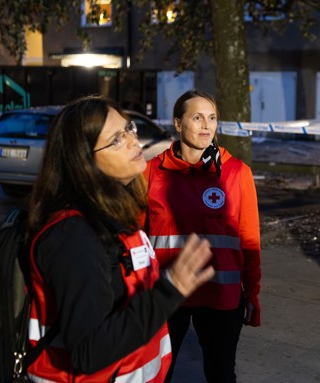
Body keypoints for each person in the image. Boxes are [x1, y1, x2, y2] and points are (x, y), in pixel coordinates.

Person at [24, 95, 214, 382]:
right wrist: (169, 290)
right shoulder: (73, 237)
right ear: (84, 161)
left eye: (129, 129)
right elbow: (89, 352)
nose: (131, 141)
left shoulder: (114, 213)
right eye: (115, 139)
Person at [143, 89, 261, 383]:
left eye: (212, 118)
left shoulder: (237, 173)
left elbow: (249, 240)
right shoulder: (151, 173)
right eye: (197, 118)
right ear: (178, 124)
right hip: (166, 297)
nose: (206, 126)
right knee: (156, 376)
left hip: (220, 297)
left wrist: (253, 292)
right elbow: (136, 238)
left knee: (220, 375)